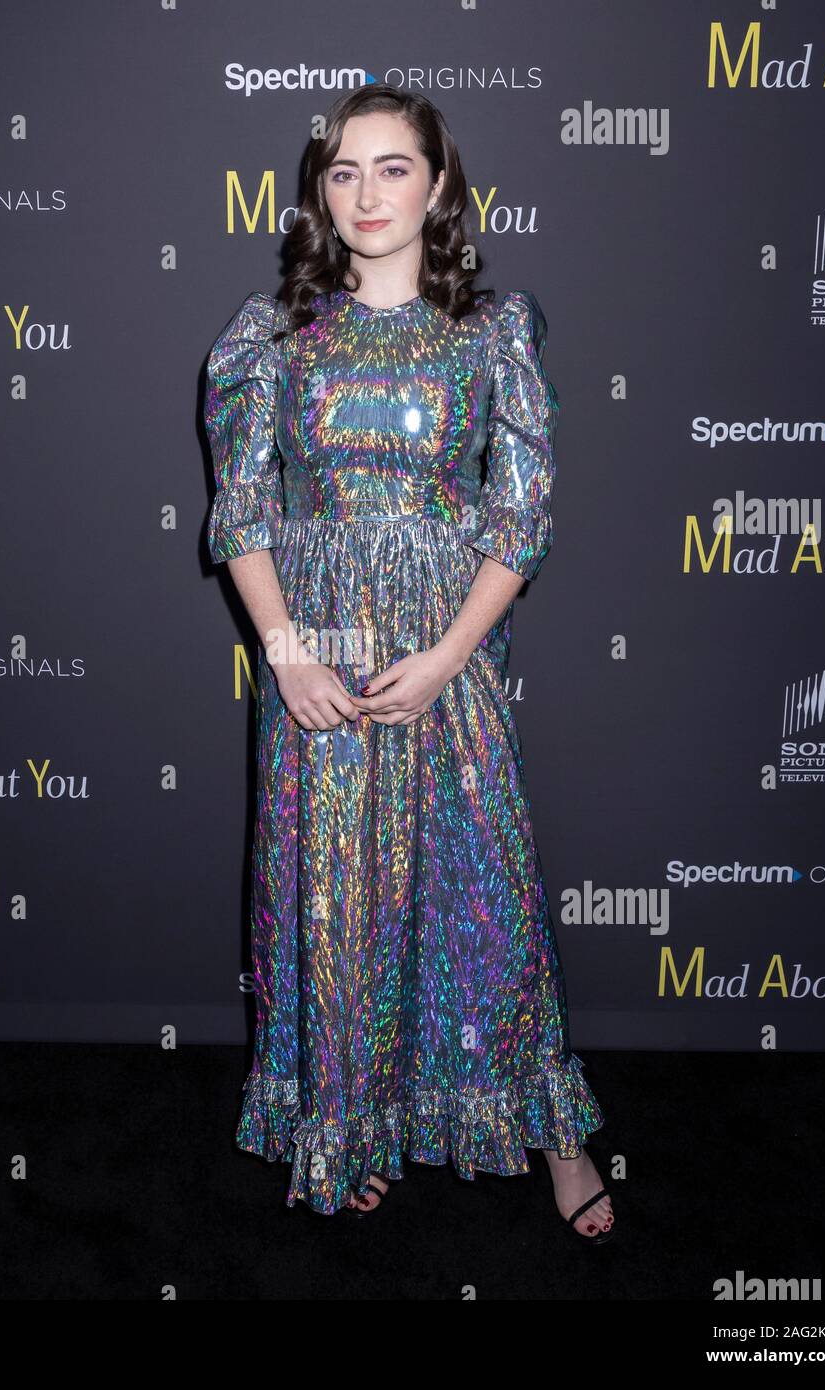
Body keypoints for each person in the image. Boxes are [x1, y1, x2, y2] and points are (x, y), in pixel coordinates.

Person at [203, 85, 615, 1243]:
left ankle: (556, 1132)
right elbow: (240, 510)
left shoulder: (492, 334)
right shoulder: (270, 338)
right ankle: (350, 1122)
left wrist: (444, 659)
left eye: (393, 168)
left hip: (450, 647)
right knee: (337, 900)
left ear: (438, 187)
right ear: (317, 194)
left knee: (484, 893)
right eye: (343, 171)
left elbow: (521, 517)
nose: (367, 193)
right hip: (318, 653)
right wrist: (284, 657)